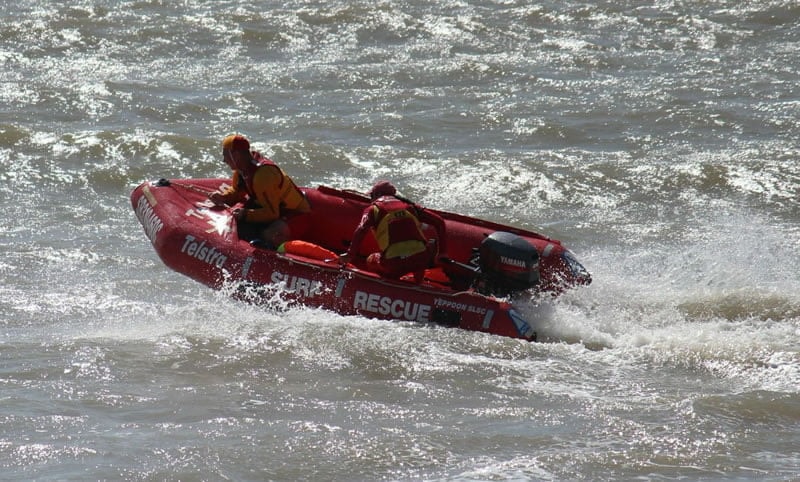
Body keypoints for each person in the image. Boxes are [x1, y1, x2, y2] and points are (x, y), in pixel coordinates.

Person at [209, 134, 311, 248]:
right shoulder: (242, 168)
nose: (224, 160)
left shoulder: (263, 175)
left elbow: (272, 214)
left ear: (236, 155)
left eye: (225, 156)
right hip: (274, 208)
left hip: (296, 213)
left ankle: (268, 252)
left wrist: (246, 214)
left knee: (270, 234)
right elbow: (237, 191)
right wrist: (224, 197)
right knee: (237, 221)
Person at [339, 181, 447, 283]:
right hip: (421, 260)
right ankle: (418, 283)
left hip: (394, 263)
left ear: (376, 195)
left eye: (371, 196)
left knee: (370, 260)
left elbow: (361, 229)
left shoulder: (373, 209)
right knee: (420, 253)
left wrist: (350, 254)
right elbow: (440, 222)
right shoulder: (410, 206)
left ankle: (387, 284)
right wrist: (442, 253)